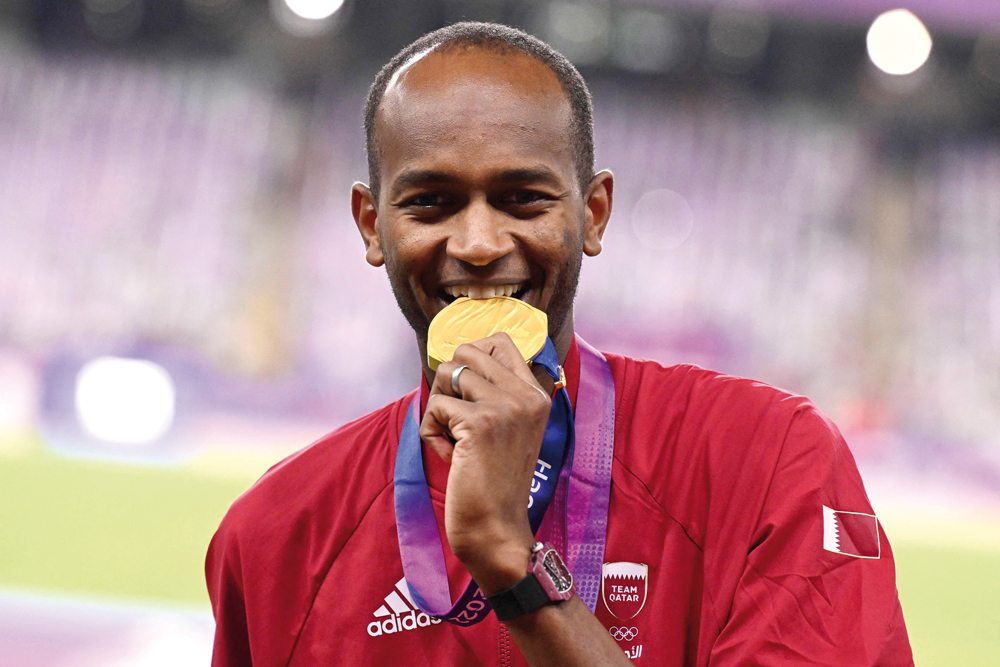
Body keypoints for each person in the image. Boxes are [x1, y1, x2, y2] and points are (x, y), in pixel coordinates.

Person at [206, 22, 913, 667]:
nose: (479, 243)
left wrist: (512, 564)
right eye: (430, 202)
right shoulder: (274, 538)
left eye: (523, 199)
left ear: (593, 214)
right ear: (370, 224)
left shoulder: (768, 461)